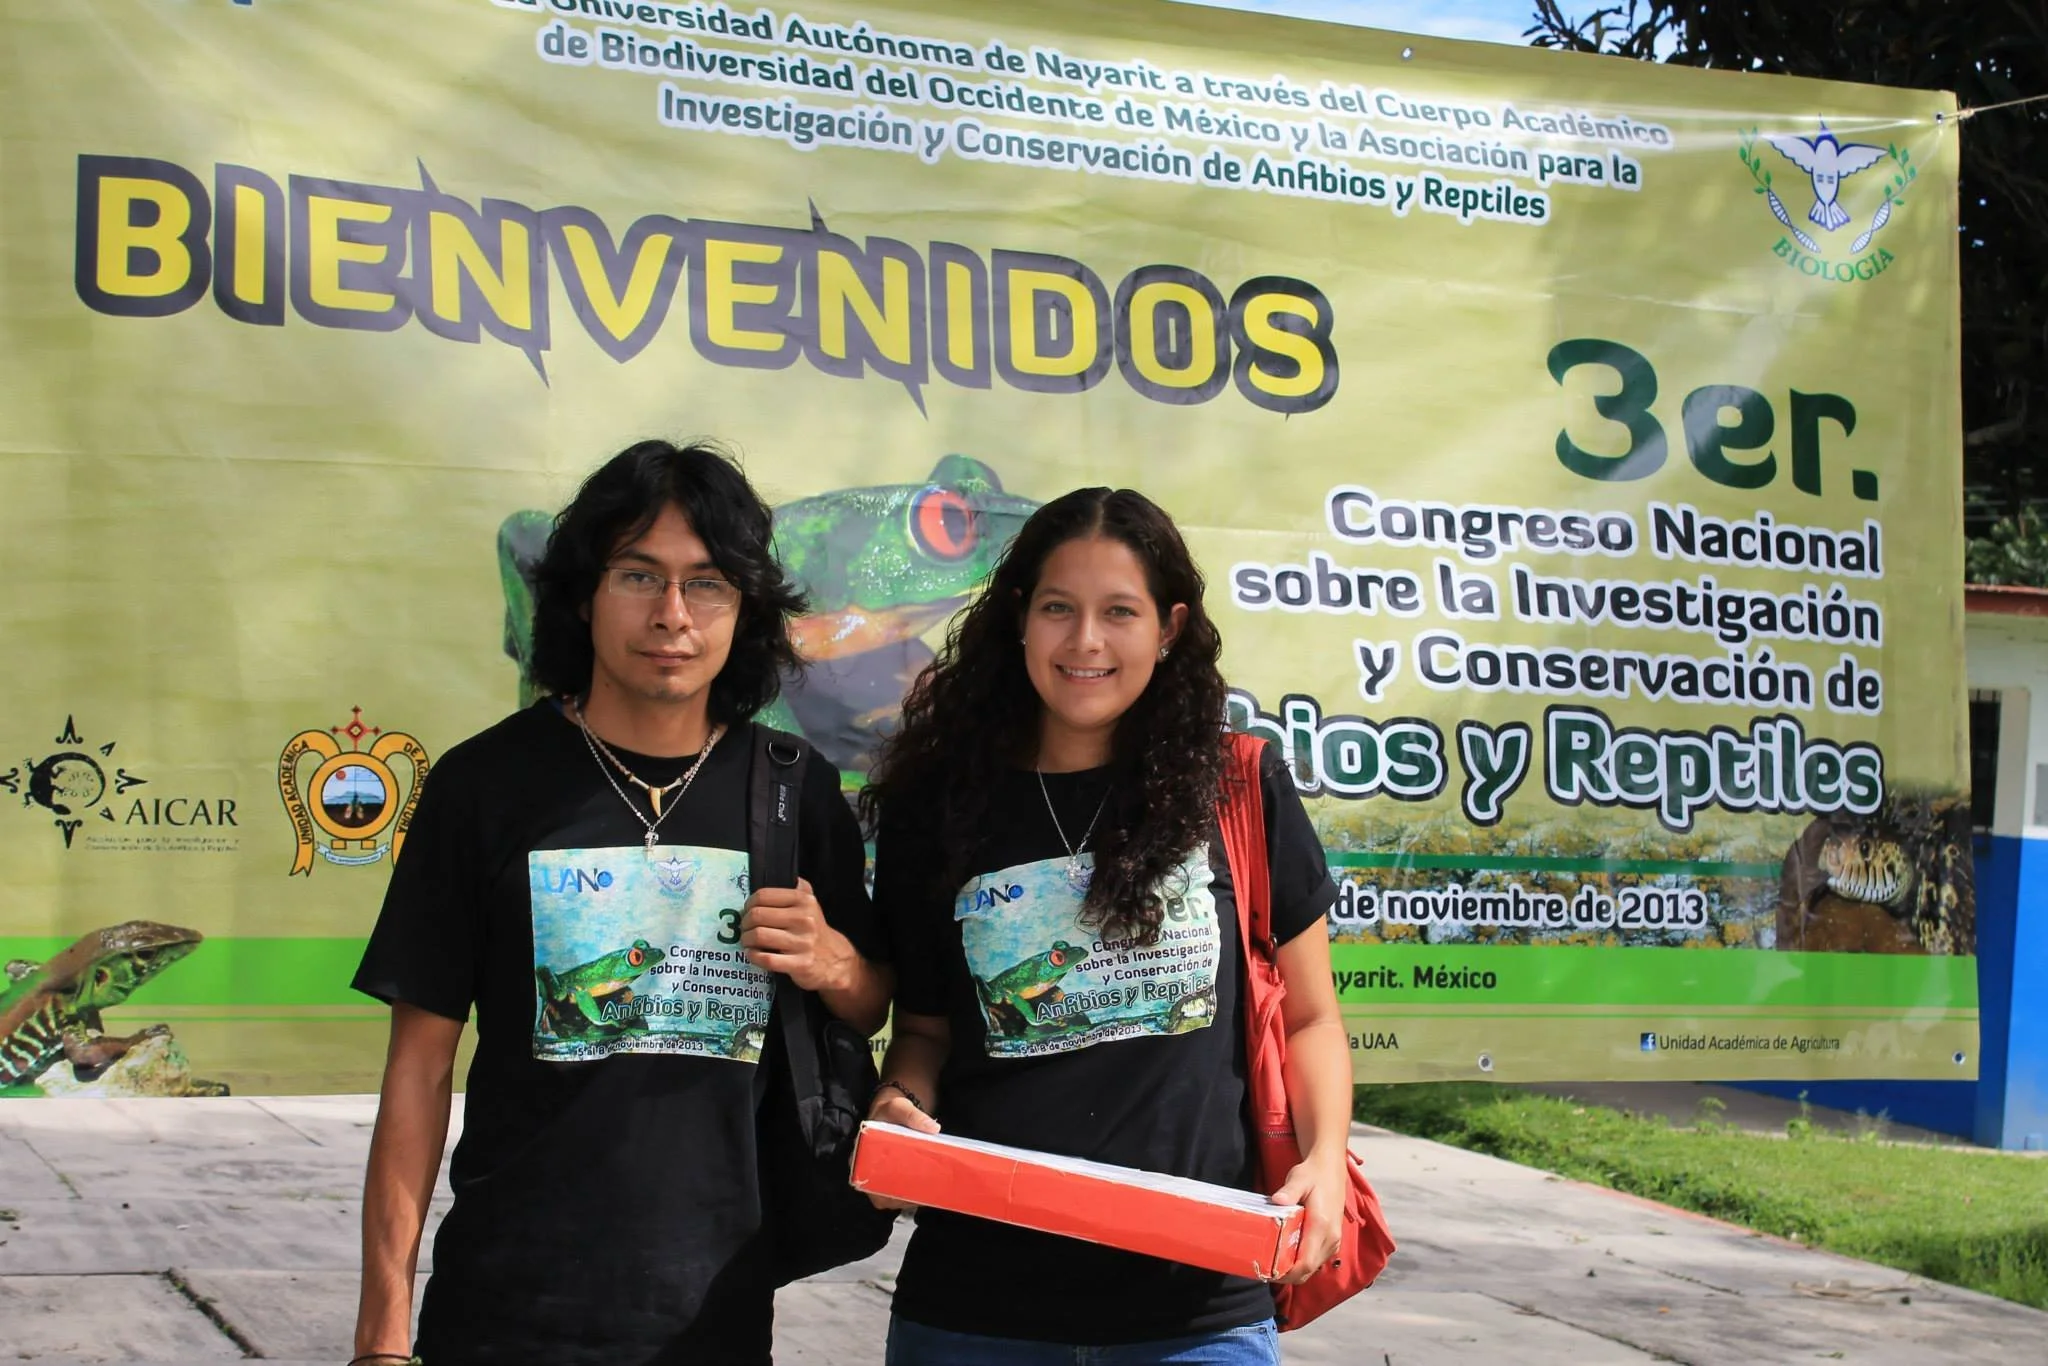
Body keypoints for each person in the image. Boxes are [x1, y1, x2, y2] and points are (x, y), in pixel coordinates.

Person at [349, 439, 891, 1366]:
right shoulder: (484, 787)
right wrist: (381, 1333)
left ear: (746, 610)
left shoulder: (792, 790)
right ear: (583, 595)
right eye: (640, 576)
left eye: (707, 584)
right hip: (502, 1309)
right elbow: (420, 1069)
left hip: (714, 1315)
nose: (672, 614)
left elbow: (872, 1002)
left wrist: (834, 962)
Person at [860, 488, 1352, 1365]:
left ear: (1168, 629)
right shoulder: (936, 806)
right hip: (975, 1310)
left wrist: (1325, 1162)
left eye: (1119, 612)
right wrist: (902, 1104)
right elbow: (926, 1033)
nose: (1085, 640)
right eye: (1059, 608)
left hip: (1198, 1313)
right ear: (1020, 619)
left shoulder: (1236, 785)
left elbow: (1312, 1018)